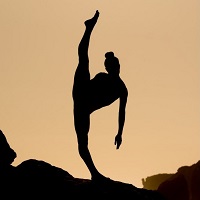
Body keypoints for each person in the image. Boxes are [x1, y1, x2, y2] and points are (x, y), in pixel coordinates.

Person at [72, 10, 128, 181]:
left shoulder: (122, 89)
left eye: (115, 65)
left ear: (118, 66)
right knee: (83, 58)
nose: (112, 69)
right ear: (107, 68)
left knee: (83, 144)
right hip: (82, 89)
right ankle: (89, 28)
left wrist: (119, 132)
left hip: (84, 108)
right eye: (109, 66)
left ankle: (94, 174)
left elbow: (122, 112)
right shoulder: (103, 77)